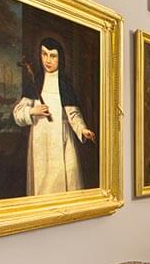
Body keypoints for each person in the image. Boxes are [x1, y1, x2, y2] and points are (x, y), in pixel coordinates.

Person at [13, 37, 95, 195]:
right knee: (42, 184)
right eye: (44, 54)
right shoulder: (35, 82)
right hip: (40, 141)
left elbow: (73, 114)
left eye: (53, 56)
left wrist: (82, 129)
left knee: (66, 182)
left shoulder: (65, 85)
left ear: (60, 58)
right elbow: (18, 113)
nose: (48, 60)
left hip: (62, 140)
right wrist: (33, 111)